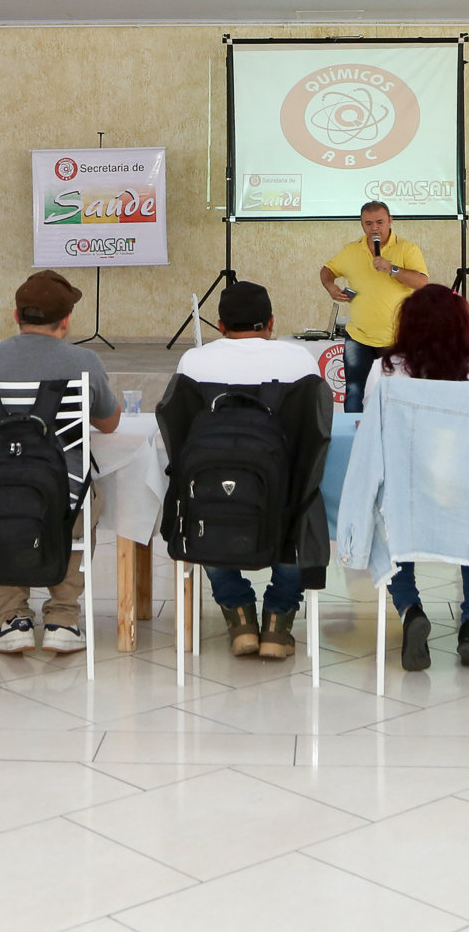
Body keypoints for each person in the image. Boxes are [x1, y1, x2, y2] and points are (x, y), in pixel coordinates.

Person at [0, 270, 120, 654]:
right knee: (84, 499)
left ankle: (12, 619)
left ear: (16, 316)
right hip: (62, 498)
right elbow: (110, 421)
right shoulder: (84, 361)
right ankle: (63, 619)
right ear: (67, 320)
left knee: (2, 501)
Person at [176, 280, 320, 660]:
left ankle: (239, 617)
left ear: (220, 325)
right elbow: (313, 436)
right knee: (301, 502)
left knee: (201, 501)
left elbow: (181, 440)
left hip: (214, 494)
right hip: (282, 494)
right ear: (270, 323)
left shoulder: (194, 362)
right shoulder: (300, 361)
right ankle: (277, 624)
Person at [364, 283, 469, 670]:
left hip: (408, 497)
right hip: (466, 495)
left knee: (386, 515)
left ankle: (410, 610)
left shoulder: (387, 369)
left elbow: (371, 433)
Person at [318, 201, 429, 413]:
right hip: (359, 337)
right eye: (368, 223)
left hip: (399, 337)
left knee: (399, 395)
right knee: (354, 392)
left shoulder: (407, 248)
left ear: (390, 221)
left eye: (379, 222)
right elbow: (327, 269)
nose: (374, 227)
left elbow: (422, 282)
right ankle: (354, 442)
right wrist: (330, 285)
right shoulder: (351, 250)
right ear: (361, 224)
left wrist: (393, 269)